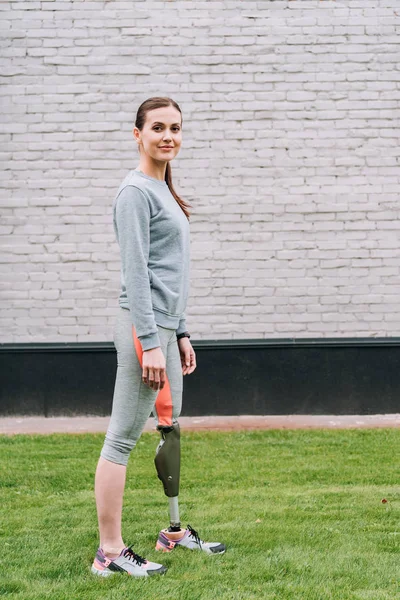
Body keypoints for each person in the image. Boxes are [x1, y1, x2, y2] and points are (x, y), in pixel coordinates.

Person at [91, 97, 226, 578]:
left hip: (166, 328)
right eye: (158, 128)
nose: (168, 136)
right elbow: (137, 270)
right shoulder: (135, 193)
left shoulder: (164, 188)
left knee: (169, 427)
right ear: (137, 134)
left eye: (175, 128)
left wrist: (180, 332)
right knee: (122, 438)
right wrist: (149, 340)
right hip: (142, 327)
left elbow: (172, 271)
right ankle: (108, 552)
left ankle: (172, 531)